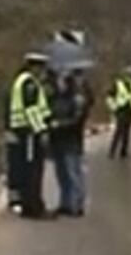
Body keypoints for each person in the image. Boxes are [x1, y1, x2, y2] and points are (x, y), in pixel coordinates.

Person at [5, 51, 53, 219]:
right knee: (33, 171)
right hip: (29, 133)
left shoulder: (21, 81)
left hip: (23, 131)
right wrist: (41, 131)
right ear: (34, 67)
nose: (42, 72)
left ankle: (30, 205)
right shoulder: (29, 83)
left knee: (27, 169)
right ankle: (34, 207)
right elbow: (32, 110)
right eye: (41, 68)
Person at [50, 67, 92, 216]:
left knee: (73, 173)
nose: (60, 84)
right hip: (57, 141)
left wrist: (60, 124)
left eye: (63, 81)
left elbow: (77, 120)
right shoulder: (55, 99)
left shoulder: (77, 100)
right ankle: (65, 203)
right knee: (61, 174)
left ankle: (77, 204)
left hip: (72, 141)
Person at [107, 66, 131, 159]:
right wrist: (113, 107)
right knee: (119, 131)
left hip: (130, 110)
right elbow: (109, 97)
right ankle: (112, 151)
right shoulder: (117, 84)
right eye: (128, 75)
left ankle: (123, 151)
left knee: (127, 131)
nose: (129, 77)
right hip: (121, 109)